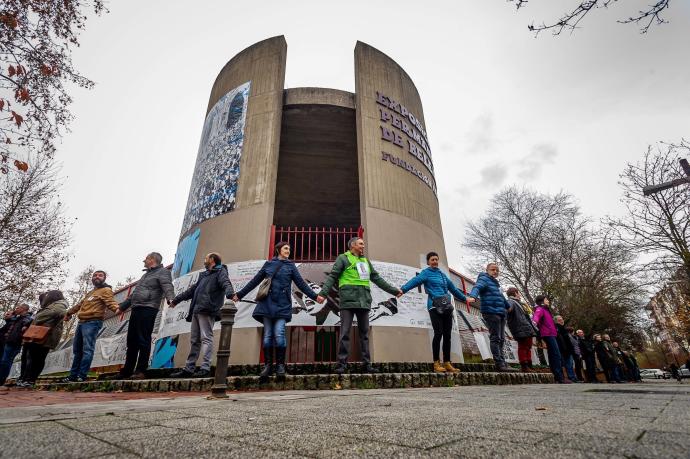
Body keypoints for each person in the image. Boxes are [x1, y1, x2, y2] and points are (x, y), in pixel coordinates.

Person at [234, 243, 320, 380]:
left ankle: (280, 366)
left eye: (289, 249)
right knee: (268, 335)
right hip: (267, 303)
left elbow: (301, 284)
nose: (288, 250)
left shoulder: (291, 266)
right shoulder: (269, 264)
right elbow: (255, 281)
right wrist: (239, 294)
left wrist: (315, 296)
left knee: (279, 334)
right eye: (286, 248)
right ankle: (268, 366)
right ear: (278, 250)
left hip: (283, 304)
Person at [316, 237, 401, 375]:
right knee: (345, 333)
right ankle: (342, 364)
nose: (363, 246)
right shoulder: (343, 258)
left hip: (364, 301)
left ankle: (367, 364)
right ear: (353, 245)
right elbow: (333, 276)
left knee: (364, 334)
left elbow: (377, 279)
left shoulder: (365, 261)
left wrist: (394, 291)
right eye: (361, 244)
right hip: (348, 301)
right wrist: (323, 293)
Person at [400, 251, 474, 374]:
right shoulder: (426, 274)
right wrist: (403, 290)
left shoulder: (443, 275)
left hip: (446, 307)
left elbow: (454, 290)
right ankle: (436, 363)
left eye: (436, 259)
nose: (435, 261)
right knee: (438, 333)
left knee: (447, 335)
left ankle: (447, 362)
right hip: (434, 306)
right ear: (428, 262)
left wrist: (465, 298)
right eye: (432, 259)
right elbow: (414, 281)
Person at [169, 253, 235, 378]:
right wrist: (176, 300)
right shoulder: (203, 275)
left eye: (206, 258)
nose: (204, 260)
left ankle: (205, 367)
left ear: (212, 260)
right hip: (196, 309)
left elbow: (225, 283)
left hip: (207, 309)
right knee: (194, 340)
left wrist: (231, 294)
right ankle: (189, 368)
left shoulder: (220, 271)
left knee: (206, 338)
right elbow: (191, 290)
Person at [115, 252, 174, 380]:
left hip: (149, 308)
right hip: (136, 308)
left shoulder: (163, 272)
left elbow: (167, 285)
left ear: (152, 259)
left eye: (146, 258)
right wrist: (122, 307)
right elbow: (134, 294)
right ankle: (127, 370)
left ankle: (141, 370)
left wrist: (170, 298)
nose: (144, 260)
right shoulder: (145, 275)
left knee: (143, 339)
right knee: (132, 341)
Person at [62, 270, 120, 382]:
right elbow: (79, 305)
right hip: (81, 322)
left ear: (104, 278)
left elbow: (110, 302)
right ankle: (72, 376)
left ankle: (82, 375)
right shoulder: (91, 292)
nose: (97, 277)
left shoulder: (106, 290)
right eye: (95, 275)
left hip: (93, 322)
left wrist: (118, 309)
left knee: (87, 349)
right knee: (77, 350)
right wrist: (68, 313)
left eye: (100, 275)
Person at [468, 263, 514, 372]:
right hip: (490, 311)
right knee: (495, 337)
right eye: (493, 269)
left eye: (497, 270)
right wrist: (473, 297)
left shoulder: (496, 284)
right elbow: (477, 287)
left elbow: (501, 296)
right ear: (487, 270)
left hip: (501, 312)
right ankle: (499, 363)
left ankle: (503, 362)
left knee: (502, 338)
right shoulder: (484, 279)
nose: (495, 272)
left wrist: (507, 306)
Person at [19, 291, 67, 387]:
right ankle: (25, 378)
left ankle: (31, 380)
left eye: (48, 295)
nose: (46, 297)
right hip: (37, 334)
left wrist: (38, 319)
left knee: (39, 358)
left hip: (47, 335)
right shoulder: (49, 305)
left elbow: (57, 313)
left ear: (53, 296)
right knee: (31, 357)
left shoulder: (60, 305)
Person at [532, 295, 566, 383]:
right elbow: (536, 316)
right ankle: (559, 377)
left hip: (552, 334)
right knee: (556, 354)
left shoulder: (546, 310)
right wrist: (534, 322)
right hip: (548, 334)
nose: (548, 301)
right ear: (542, 301)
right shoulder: (540, 308)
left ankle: (557, 376)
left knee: (552, 355)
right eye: (546, 299)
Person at [505, 287, 536, 373]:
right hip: (520, 328)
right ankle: (524, 366)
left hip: (526, 328)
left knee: (528, 347)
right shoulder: (511, 302)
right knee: (523, 347)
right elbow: (508, 309)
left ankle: (530, 365)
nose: (519, 295)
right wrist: (508, 309)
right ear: (515, 293)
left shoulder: (520, 303)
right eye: (518, 293)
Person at [0, 304, 33, 386]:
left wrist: (26, 326)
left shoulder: (26, 318)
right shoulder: (18, 318)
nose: (16, 309)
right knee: (4, 361)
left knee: (6, 361)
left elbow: (29, 322)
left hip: (15, 343)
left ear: (23, 309)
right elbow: (9, 320)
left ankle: (1, 380)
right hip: (9, 341)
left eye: (18, 308)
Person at [554, 316, 578, 382]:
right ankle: (570, 377)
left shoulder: (563, 328)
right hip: (563, 349)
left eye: (562, 319)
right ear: (556, 321)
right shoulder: (558, 328)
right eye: (559, 320)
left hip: (567, 349)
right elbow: (561, 340)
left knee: (570, 364)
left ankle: (572, 377)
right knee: (567, 364)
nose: (562, 321)